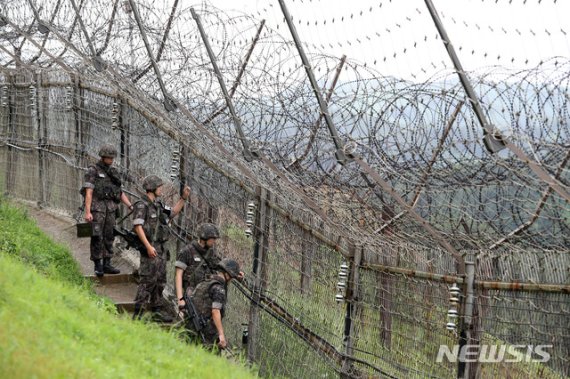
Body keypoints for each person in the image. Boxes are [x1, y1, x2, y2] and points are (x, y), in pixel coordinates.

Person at [132, 175, 190, 322]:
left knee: (160, 280)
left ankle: (156, 310)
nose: (161, 189)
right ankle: (137, 314)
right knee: (147, 281)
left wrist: (183, 199)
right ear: (152, 188)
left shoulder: (158, 205)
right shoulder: (142, 205)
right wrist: (148, 246)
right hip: (150, 247)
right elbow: (137, 226)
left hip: (160, 248)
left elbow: (172, 213)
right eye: (159, 186)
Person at [83, 144, 133, 277]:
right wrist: (87, 212)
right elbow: (89, 192)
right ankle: (98, 264)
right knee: (96, 236)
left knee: (109, 235)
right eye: (109, 157)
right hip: (97, 208)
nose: (111, 160)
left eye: (112, 158)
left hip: (110, 208)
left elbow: (119, 192)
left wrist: (129, 205)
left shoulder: (113, 172)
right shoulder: (92, 170)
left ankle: (107, 263)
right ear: (103, 157)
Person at [188, 258, 241, 350]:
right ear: (227, 275)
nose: (231, 280)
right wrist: (221, 335)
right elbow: (215, 311)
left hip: (191, 325)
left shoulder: (206, 281)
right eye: (232, 277)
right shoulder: (219, 289)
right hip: (206, 332)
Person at [174, 223, 222, 311]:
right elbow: (178, 276)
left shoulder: (211, 254)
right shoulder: (186, 251)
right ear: (204, 238)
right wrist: (180, 299)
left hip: (207, 296)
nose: (214, 241)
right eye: (213, 239)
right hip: (191, 294)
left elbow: (221, 266)